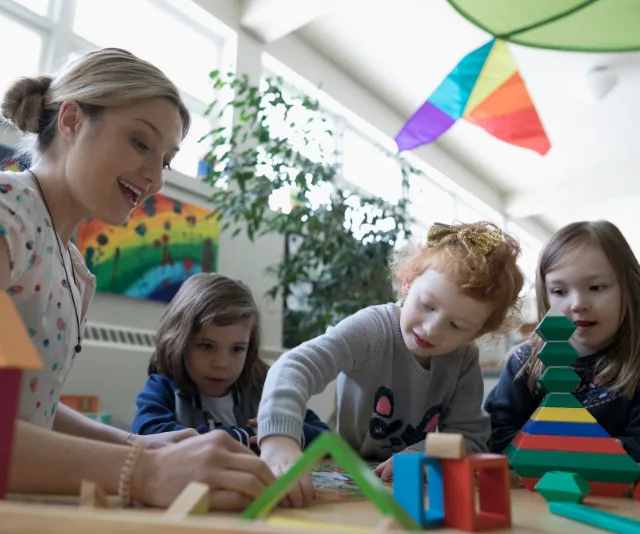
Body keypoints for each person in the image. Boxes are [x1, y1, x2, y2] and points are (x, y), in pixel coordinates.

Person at [0, 47, 274, 510]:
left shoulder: (70, 266)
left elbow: (24, 407)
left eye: (165, 160)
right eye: (140, 143)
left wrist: (138, 447)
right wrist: (145, 472)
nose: (155, 178)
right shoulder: (10, 217)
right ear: (70, 121)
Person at [257, 221, 525, 507]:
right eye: (428, 305)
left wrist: (424, 453)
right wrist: (278, 440)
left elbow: (469, 438)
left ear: (476, 332)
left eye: (456, 325)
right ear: (408, 283)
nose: (432, 329)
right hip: (345, 470)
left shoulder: (463, 358)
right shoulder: (371, 329)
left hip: (405, 486)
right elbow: (294, 366)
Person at [485, 220, 640, 461]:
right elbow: (498, 435)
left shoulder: (636, 362)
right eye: (560, 291)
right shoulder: (524, 362)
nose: (578, 304)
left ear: (629, 288)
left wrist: (599, 452)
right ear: (545, 296)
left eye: (597, 287)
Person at [131, 272, 329, 451]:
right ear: (180, 341)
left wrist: (281, 435)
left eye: (237, 349)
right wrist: (250, 437)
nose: (222, 364)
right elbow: (148, 434)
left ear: (249, 347)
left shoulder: (264, 388)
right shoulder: (163, 388)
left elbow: (326, 437)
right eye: (207, 346)